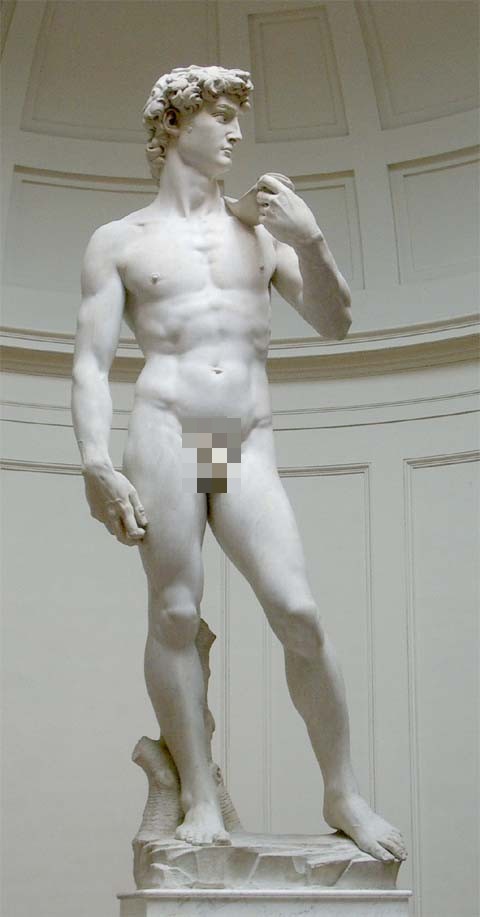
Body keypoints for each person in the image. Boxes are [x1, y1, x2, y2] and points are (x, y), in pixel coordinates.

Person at [71, 65, 406, 861]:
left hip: (232, 437)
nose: (236, 132)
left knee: (297, 612)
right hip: (168, 427)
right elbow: (90, 361)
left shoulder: (258, 232)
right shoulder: (122, 241)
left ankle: (341, 790)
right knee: (175, 613)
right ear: (172, 124)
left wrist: (311, 239)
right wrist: (94, 461)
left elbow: (335, 322)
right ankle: (197, 791)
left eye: (235, 118)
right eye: (220, 115)